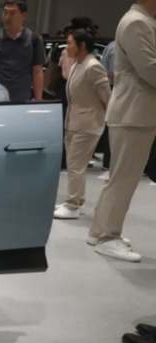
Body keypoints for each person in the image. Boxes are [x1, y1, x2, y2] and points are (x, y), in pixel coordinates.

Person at [88, 0, 156, 262]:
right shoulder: (137, 23)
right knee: (124, 179)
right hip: (134, 113)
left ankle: (100, 231)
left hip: (136, 112)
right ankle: (108, 236)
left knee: (120, 177)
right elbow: (150, 69)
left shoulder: (143, 21)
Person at [53, 29, 111, 220]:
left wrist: (105, 119)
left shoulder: (93, 67)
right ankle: (74, 199)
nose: (67, 47)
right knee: (73, 164)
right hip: (74, 121)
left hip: (88, 124)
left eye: (70, 43)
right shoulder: (78, 64)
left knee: (76, 166)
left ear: (82, 45)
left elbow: (106, 97)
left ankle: (73, 204)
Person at [0, 0, 45, 102]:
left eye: (13, 13)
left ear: (24, 16)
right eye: (5, 13)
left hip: (22, 100)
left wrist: (38, 100)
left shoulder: (34, 39)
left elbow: (37, 71)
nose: (7, 17)